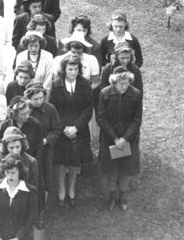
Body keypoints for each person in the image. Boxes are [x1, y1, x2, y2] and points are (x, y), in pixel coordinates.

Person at [48, 57, 94, 208]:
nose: (73, 72)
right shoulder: (56, 85)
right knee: (61, 161)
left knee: (75, 161)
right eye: (70, 69)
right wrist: (63, 128)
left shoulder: (85, 84)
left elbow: (88, 109)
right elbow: (53, 109)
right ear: (64, 70)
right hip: (61, 131)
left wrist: (76, 127)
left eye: (75, 69)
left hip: (78, 131)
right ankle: (61, 189)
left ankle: (71, 189)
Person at [96, 66, 142, 212]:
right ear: (114, 82)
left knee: (125, 170)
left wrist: (125, 138)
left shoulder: (135, 94)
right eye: (121, 83)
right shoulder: (104, 93)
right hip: (110, 139)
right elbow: (101, 118)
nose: (124, 86)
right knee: (111, 170)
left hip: (129, 139)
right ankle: (111, 196)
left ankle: (122, 196)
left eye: (127, 83)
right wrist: (115, 138)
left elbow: (137, 119)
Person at [24, 80, 60, 226]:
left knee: (43, 181)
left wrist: (46, 140)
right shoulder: (25, 110)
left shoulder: (50, 109)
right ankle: (26, 212)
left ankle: (40, 213)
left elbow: (57, 128)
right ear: (28, 99)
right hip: (27, 151)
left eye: (41, 98)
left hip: (44, 151)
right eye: (35, 99)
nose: (39, 101)